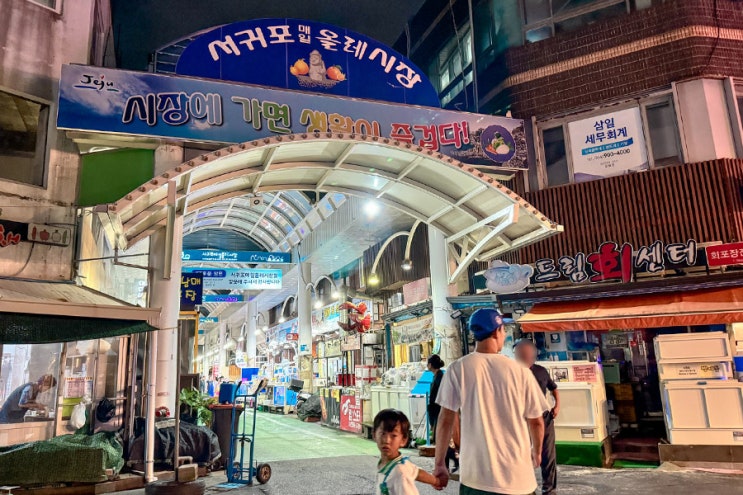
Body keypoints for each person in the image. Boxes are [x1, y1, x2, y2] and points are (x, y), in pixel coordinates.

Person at [434, 308, 550, 495]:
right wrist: (536, 452)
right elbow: (536, 421)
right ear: (497, 331)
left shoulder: (457, 369)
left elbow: (445, 420)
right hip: (518, 480)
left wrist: (440, 463)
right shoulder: (521, 371)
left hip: (475, 480)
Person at [514, 339, 561, 495]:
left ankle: (549, 490)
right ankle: (525, 489)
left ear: (533, 355)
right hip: (522, 419)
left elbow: (554, 388)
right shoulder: (512, 373)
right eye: (521, 353)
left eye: (527, 353)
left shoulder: (541, 371)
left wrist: (557, 405)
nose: (525, 356)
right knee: (522, 456)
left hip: (544, 417)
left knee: (548, 456)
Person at [374, 408, 442, 495]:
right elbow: (416, 472)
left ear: (403, 440)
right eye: (383, 433)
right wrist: (436, 481)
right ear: (374, 435)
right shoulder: (399, 463)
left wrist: (437, 481)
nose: (387, 440)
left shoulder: (400, 474)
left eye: (393, 435)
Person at [426, 354, 445, 442]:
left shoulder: (440, 377)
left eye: (428, 363)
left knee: (438, 435)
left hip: (438, 409)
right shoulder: (437, 376)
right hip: (435, 409)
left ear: (430, 365)